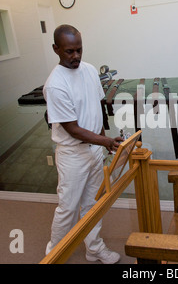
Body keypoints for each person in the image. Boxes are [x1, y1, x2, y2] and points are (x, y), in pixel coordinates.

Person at [43, 24, 123, 263]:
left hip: (95, 151)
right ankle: (53, 256)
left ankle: (94, 248)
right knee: (68, 209)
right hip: (72, 156)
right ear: (56, 49)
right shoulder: (55, 84)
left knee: (93, 205)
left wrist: (103, 143)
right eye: (69, 51)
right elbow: (73, 129)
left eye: (79, 49)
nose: (76, 56)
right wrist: (106, 141)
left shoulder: (88, 70)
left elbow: (96, 108)